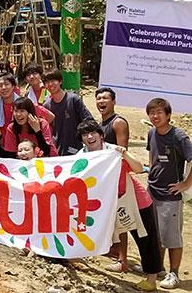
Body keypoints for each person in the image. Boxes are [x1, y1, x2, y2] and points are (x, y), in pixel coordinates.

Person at [77, 120, 162, 292]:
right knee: (111, 234)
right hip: (109, 204)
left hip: (135, 200)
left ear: (101, 135)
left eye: (93, 132)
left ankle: (151, 279)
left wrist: (124, 154)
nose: (90, 137)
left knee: (145, 238)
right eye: (85, 134)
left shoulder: (113, 152)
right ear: (82, 139)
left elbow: (139, 169)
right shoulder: (82, 156)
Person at [144, 98, 192, 289]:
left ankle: (174, 273)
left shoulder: (179, 136)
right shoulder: (150, 133)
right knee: (155, 233)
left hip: (171, 195)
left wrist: (185, 184)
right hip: (152, 191)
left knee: (171, 236)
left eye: (159, 113)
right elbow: (152, 156)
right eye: (151, 113)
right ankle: (159, 267)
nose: (155, 116)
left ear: (168, 115)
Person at [0, 74, 53, 157]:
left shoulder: (25, 103)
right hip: (14, 146)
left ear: (13, 86)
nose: (3, 88)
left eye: (6, 84)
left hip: (38, 151)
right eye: (0, 86)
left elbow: (51, 117)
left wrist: (37, 129)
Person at [43, 69, 93, 156]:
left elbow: (88, 120)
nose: (50, 84)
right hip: (56, 152)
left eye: (53, 80)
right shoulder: (46, 106)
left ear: (60, 81)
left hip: (76, 150)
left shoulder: (73, 99)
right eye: (47, 82)